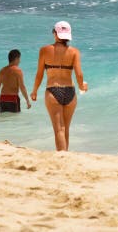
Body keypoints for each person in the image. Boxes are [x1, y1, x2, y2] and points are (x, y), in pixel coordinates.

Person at [31, 21, 87, 151]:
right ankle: (66, 155)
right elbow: (79, 74)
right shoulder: (74, 52)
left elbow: (39, 74)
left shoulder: (44, 50)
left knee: (58, 130)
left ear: (55, 34)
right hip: (70, 92)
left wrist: (34, 91)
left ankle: (62, 157)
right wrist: (82, 86)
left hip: (53, 90)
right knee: (65, 128)